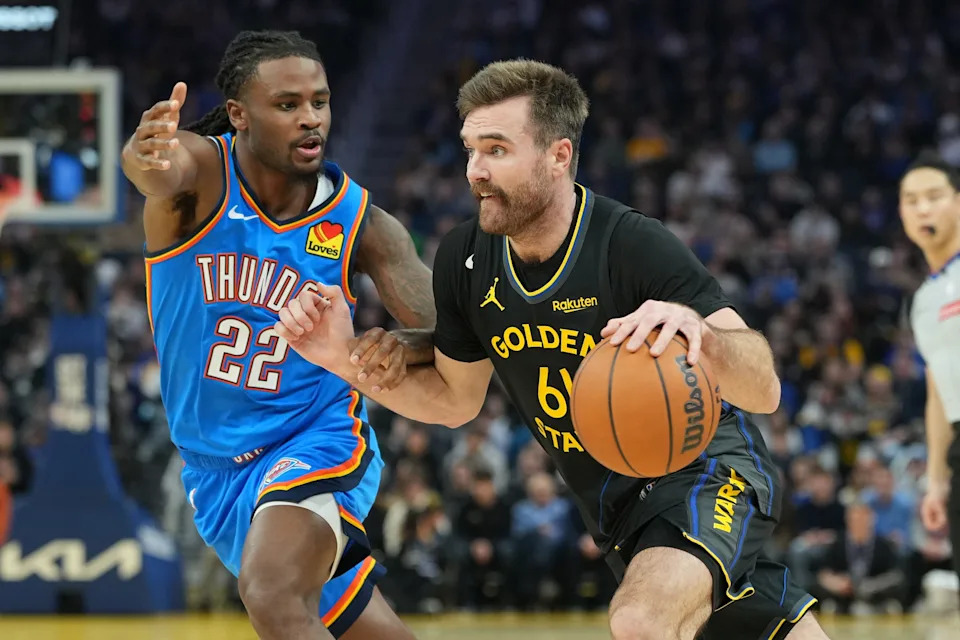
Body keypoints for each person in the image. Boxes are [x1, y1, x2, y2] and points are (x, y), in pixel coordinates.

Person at [275, 59, 831, 640]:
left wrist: (704, 335)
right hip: (618, 509)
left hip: (709, 471)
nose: (475, 172)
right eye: (470, 150)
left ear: (558, 156)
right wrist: (338, 357)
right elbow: (455, 401)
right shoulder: (465, 260)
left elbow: (765, 389)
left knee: (641, 621)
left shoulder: (632, 245)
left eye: (496, 150)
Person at [121, 30, 435, 640]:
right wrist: (142, 155)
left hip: (313, 438)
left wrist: (406, 344)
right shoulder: (202, 178)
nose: (310, 118)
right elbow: (159, 168)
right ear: (239, 115)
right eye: (288, 105)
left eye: (319, 101)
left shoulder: (359, 220)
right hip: (214, 471)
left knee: (270, 591)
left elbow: (446, 324)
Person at [899, 151, 960, 580]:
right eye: (911, 199)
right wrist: (936, 481)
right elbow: (938, 393)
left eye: (934, 196)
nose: (922, 208)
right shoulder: (922, 301)